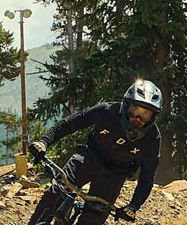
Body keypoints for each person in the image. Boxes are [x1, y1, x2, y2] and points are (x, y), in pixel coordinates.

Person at [28, 79, 164, 225]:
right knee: (55, 193)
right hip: (87, 158)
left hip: (115, 174)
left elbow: (147, 178)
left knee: (93, 219)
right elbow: (68, 124)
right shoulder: (106, 112)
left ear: (153, 117)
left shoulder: (152, 138)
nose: (138, 118)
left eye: (145, 114)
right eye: (135, 110)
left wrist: (133, 206)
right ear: (126, 105)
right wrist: (43, 142)